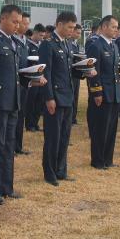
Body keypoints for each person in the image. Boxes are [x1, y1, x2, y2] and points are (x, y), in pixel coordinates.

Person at [0, 4, 46, 204]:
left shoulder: (14, 42)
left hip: (13, 102)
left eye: (20, 22)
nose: (18, 26)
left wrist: (32, 79)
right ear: (3, 19)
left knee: (9, 147)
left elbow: (16, 76)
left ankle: (7, 186)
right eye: (15, 22)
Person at [39, 11, 80, 185]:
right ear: (60, 24)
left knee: (65, 136)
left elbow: (70, 71)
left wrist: (85, 71)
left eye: (73, 27)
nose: (72, 30)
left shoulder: (68, 45)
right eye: (69, 27)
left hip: (68, 96)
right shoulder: (48, 45)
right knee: (53, 137)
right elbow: (46, 73)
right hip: (55, 97)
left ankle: (61, 169)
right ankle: (50, 173)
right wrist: (49, 98)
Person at [85, 15, 120, 168]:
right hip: (103, 93)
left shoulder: (114, 45)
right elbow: (94, 71)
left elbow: (114, 69)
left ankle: (108, 159)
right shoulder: (96, 45)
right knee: (100, 128)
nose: (116, 30)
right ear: (104, 27)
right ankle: (98, 161)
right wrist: (96, 92)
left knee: (111, 129)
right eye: (113, 27)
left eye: (117, 27)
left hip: (114, 92)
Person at [13, 11, 32, 155]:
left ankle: (18, 146)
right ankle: (11, 146)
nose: (26, 26)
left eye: (27, 23)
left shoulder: (25, 41)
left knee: (21, 116)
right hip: (13, 84)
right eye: (23, 23)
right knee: (13, 116)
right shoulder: (12, 40)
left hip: (24, 83)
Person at [24, 24, 46, 132]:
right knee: (31, 102)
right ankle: (29, 124)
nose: (42, 37)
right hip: (32, 78)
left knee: (40, 102)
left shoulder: (42, 45)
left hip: (41, 77)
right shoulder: (28, 45)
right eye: (41, 35)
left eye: (43, 36)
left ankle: (35, 123)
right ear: (35, 33)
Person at [70, 24, 84, 125]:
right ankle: (70, 118)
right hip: (71, 73)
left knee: (75, 96)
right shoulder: (69, 43)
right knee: (71, 96)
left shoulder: (77, 44)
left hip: (76, 74)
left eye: (80, 33)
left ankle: (73, 117)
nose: (79, 35)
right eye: (77, 33)